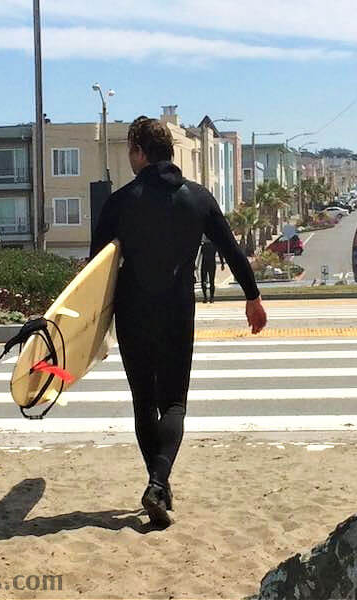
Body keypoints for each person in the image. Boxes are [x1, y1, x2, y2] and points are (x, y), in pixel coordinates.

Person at [90, 116, 267, 527]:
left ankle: (157, 483)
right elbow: (233, 251)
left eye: (130, 151)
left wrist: (87, 329)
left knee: (143, 403)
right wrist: (252, 298)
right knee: (173, 402)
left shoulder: (119, 202)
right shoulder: (198, 198)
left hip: (132, 312)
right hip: (176, 311)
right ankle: (158, 484)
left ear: (138, 150)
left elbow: (95, 270)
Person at [199, 235, 225, 303]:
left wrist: (222, 263)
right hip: (210, 264)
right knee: (209, 281)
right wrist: (222, 263)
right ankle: (209, 297)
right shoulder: (212, 244)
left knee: (207, 281)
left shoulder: (205, 245)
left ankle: (208, 297)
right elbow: (220, 254)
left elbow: (220, 253)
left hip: (206, 264)